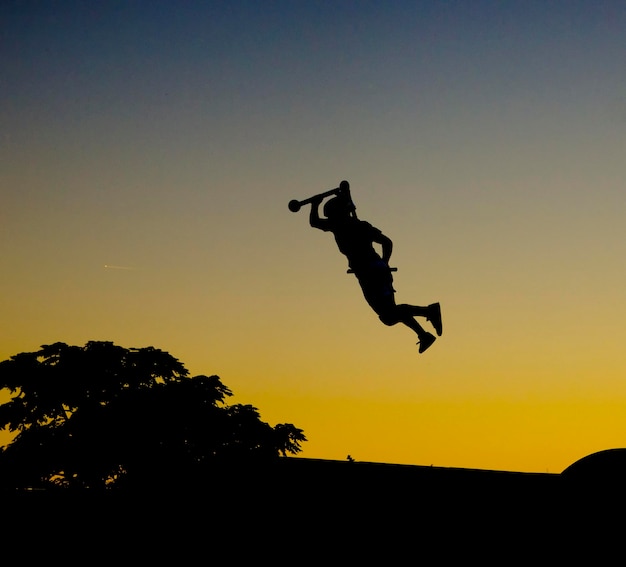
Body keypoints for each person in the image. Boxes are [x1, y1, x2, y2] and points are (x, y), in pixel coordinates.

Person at [309, 182, 442, 353]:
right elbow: (315, 223)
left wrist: (315, 204)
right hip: (370, 273)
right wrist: (315, 203)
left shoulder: (348, 226)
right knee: (390, 314)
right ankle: (424, 331)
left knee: (388, 315)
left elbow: (387, 242)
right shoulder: (348, 226)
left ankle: (428, 313)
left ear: (338, 213)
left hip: (373, 273)